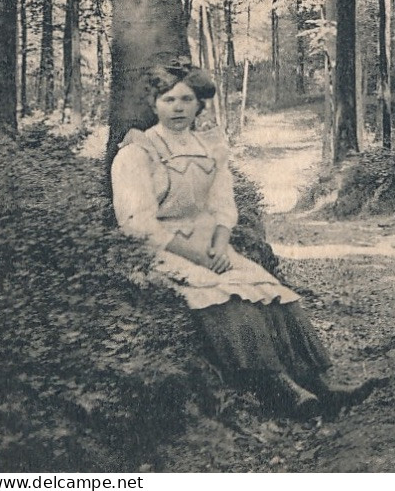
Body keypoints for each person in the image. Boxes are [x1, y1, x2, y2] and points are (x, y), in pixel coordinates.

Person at [111, 60, 379, 418]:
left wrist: (220, 245)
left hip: (212, 245)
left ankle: (319, 385)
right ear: (154, 104)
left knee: (272, 293)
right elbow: (138, 223)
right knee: (231, 301)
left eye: (186, 100)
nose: (177, 108)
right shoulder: (137, 153)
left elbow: (223, 207)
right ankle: (279, 390)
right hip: (164, 248)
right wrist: (196, 256)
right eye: (169, 100)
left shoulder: (209, 149)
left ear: (199, 105)